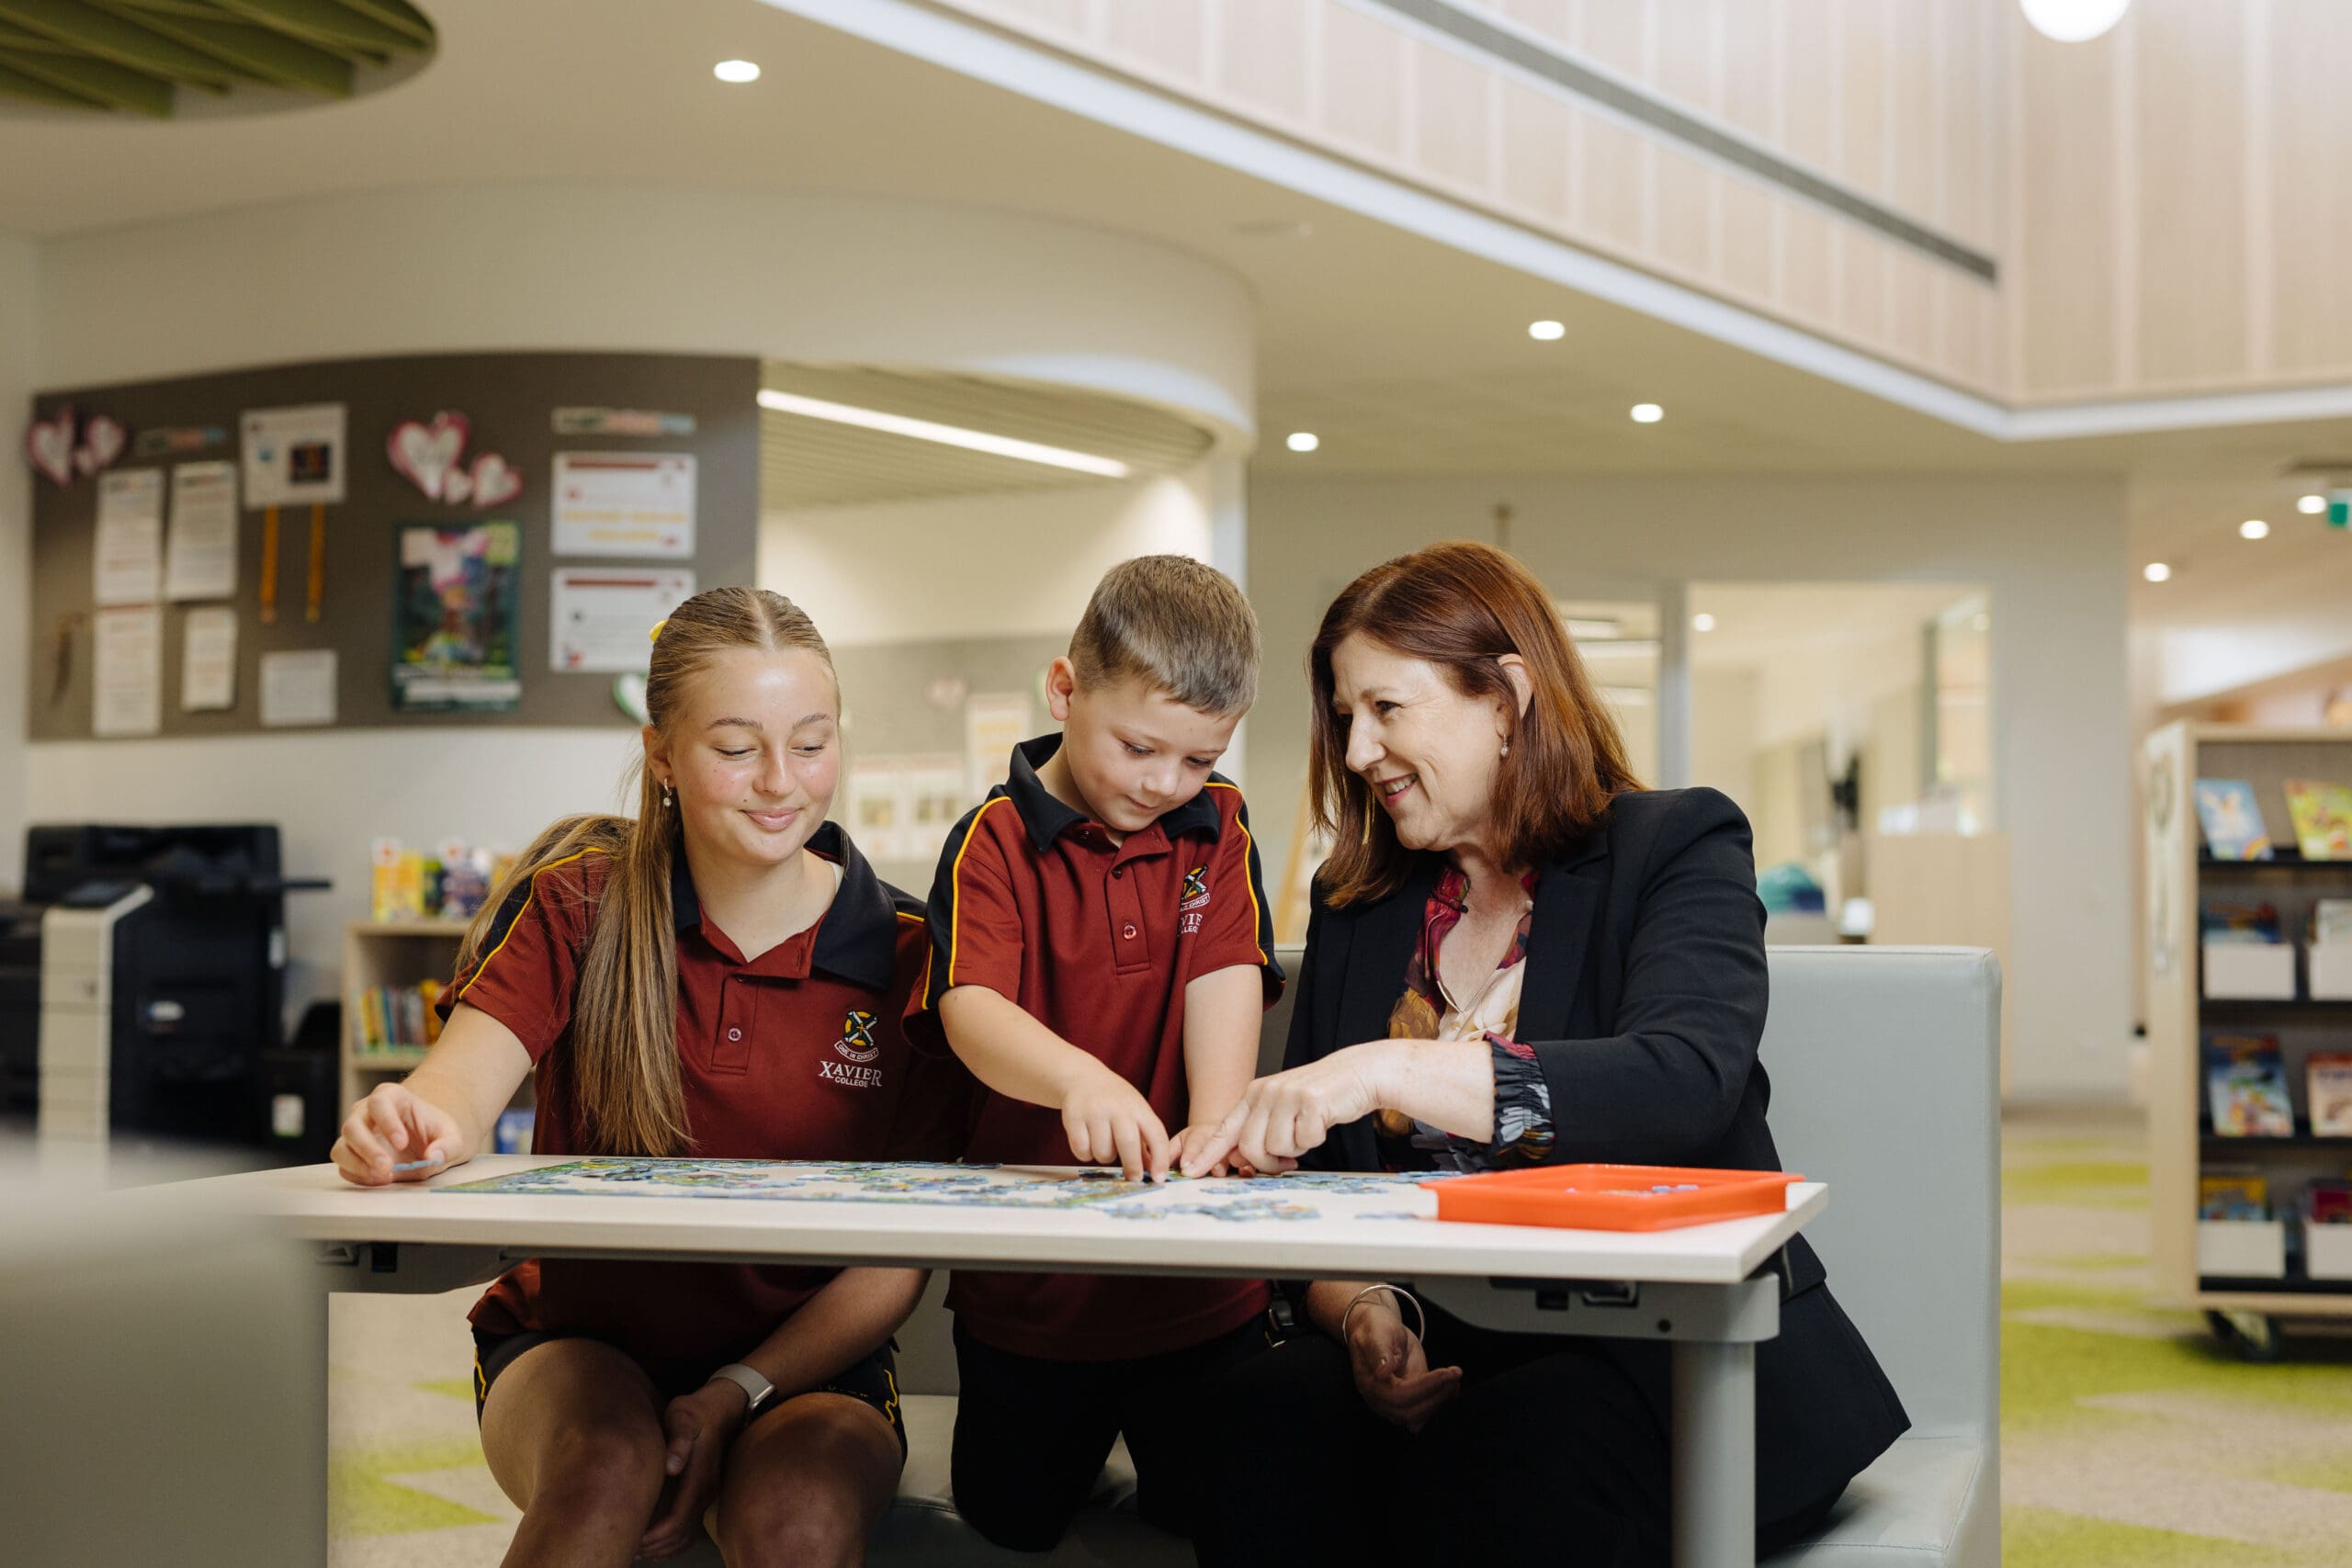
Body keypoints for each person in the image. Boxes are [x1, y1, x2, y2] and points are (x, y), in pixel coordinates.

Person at [1183, 541, 1908, 1565]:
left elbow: (1682, 1083)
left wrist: (1386, 1068)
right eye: (1345, 718)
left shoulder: (1675, 846)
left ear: (1506, 699)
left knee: (1521, 1452)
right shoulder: (1358, 910)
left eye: (1386, 709)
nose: (1354, 753)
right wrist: (1363, 1315)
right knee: (1257, 1416)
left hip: (1659, 1353)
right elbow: (1317, 1197)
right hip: (1448, 1348)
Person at [331, 586, 966, 1568]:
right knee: (603, 1472)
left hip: (807, 1363)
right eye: (734, 746)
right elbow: (456, 1089)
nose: (779, 782)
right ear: (662, 753)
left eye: (810, 741)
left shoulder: (914, 952)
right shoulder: (576, 905)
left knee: (794, 1520)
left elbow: (894, 1261)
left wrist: (735, 1390)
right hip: (575, 1342)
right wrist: (409, 1124)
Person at [910, 555, 1284, 1551]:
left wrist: (1214, 1119)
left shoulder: (1220, 825)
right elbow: (971, 1005)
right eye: (1139, 747)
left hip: (1203, 1298)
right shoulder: (991, 840)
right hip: (1032, 1302)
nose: (1167, 784)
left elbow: (1225, 969)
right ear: (1064, 688)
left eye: (1199, 761)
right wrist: (1076, 1075)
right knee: (1010, 1527)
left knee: (1209, 1526)